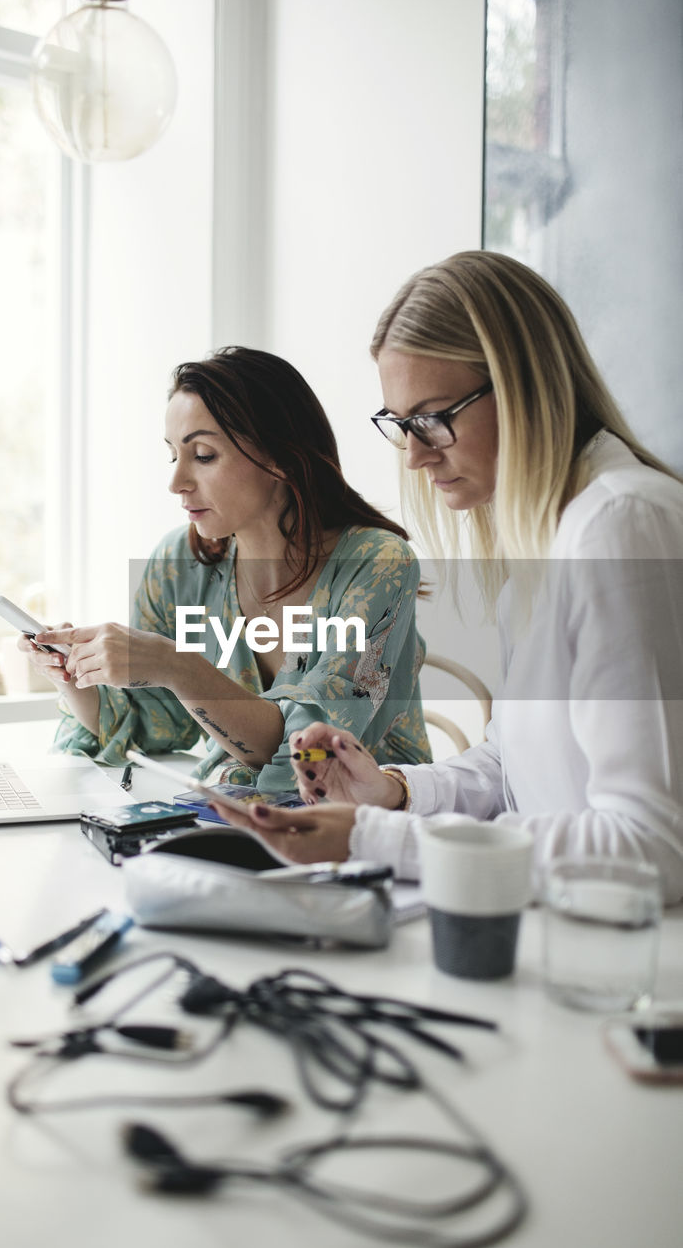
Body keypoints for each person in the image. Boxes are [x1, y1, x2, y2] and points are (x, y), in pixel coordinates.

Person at [216, 252, 683, 903]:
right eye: (400, 424)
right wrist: (394, 794)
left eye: (432, 417)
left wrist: (373, 840)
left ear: (523, 385)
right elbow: (512, 766)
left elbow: (650, 850)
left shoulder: (620, 526)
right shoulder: (540, 540)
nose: (413, 454)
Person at [22, 346, 432, 793]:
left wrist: (176, 665)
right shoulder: (182, 565)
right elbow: (155, 721)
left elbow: (313, 752)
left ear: (280, 458)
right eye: (173, 454)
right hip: (240, 821)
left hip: (377, 826)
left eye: (203, 455)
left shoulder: (378, 564)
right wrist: (74, 676)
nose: (176, 482)